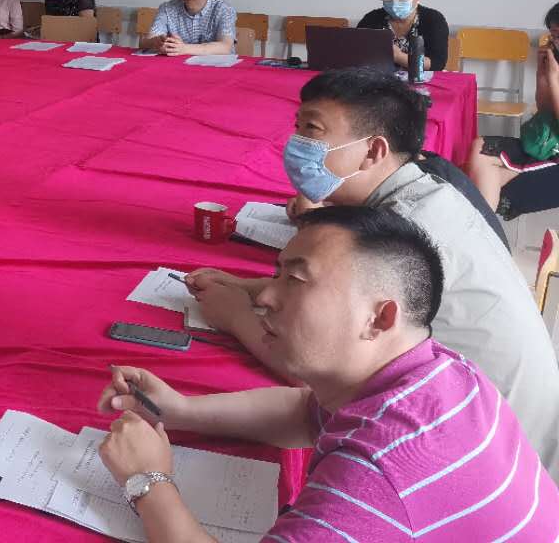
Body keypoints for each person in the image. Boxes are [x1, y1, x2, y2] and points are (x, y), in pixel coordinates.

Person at [97, 206, 559, 541]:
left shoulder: (383, 470)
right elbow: (306, 411)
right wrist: (180, 410)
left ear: (379, 318)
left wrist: (147, 481)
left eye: (296, 281)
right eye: (277, 275)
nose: (265, 297)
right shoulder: (438, 370)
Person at [187, 67, 559, 472]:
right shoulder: (427, 189)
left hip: (488, 451)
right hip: (510, 418)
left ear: (373, 151)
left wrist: (236, 316)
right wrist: (246, 287)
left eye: (313, 131)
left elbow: (318, 364)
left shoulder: (403, 233)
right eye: (298, 128)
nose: (296, 145)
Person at [467, 1, 559, 215]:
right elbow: (545, 110)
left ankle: (481, 226)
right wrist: (542, 76)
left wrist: (554, 79)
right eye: (554, 35)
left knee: (488, 181)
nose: (555, 41)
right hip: (545, 144)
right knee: (480, 148)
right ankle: (482, 225)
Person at [356, 0, 449, 71]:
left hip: (420, 80)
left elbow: (437, 63)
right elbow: (356, 56)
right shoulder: (371, 19)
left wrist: (398, 57)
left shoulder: (433, 20)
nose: (394, 1)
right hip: (378, 79)